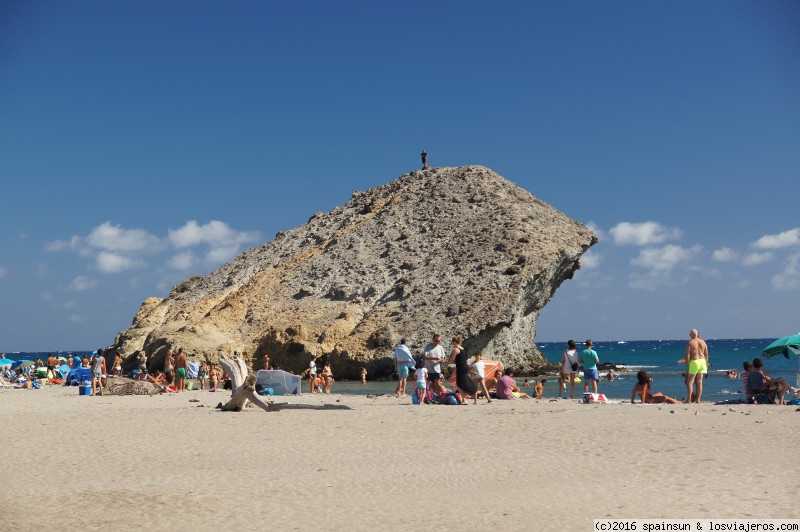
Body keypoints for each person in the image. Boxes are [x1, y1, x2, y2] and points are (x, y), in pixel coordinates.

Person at [447, 336, 476, 404]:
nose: (452, 344)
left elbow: (451, 361)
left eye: (452, 343)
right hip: (465, 367)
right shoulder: (463, 349)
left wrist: (443, 362)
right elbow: (461, 360)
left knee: (459, 384)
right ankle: (466, 397)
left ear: (454, 342)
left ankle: (464, 400)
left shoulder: (456, 349)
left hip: (461, 368)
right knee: (464, 383)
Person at [682, 329, 709, 403]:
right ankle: (698, 399)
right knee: (699, 382)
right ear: (698, 334)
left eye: (690, 334)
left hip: (694, 361)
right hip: (702, 361)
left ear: (692, 335)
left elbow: (688, 355)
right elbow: (706, 354)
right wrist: (706, 363)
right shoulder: (703, 342)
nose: (690, 336)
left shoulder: (690, 342)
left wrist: (687, 365)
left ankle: (690, 400)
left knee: (690, 382)